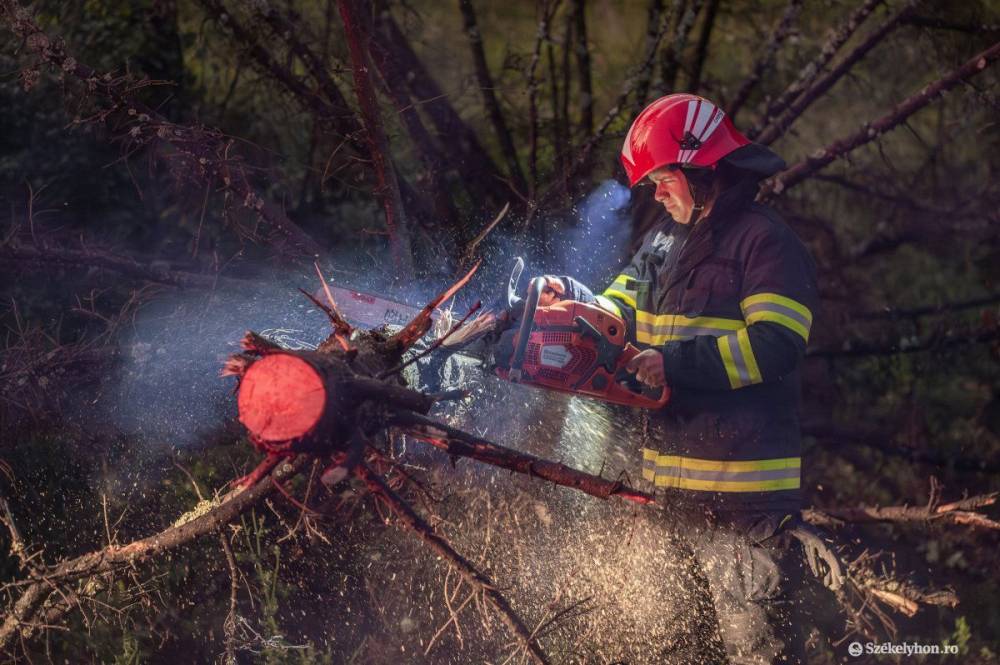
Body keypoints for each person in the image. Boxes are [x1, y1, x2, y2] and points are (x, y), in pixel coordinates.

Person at [540, 93, 818, 664]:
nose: (657, 194)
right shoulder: (664, 240)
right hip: (667, 503)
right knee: (672, 653)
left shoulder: (765, 241)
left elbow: (777, 345)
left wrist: (675, 362)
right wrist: (572, 303)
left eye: (663, 180)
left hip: (744, 511)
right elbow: (617, 307)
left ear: (701, 168)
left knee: (756, 654)